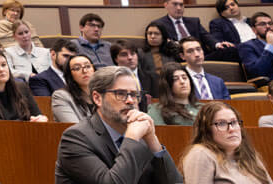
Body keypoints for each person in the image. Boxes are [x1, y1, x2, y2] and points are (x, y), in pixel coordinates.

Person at [54, 66, 182, 184]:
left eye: (134, 94)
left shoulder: (141, 137)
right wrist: (131, 139)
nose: (130, 101)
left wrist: (153, 141)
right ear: (97, 98)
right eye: (120, 94)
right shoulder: (76, 138)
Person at [180, 102, 273, 184]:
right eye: (221, 123)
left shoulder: (248, 154)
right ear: (206, 129)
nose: (231, 129)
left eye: (234, 122)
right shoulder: (201, 154)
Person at [152, 0, 230, 60]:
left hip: (202, 57)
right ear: (166, 5)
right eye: (175, 4)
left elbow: (206, 36)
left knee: (230, 50)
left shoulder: (194, 22)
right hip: (180, 59)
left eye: (181, 5)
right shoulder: (159, 24)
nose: (179, 8)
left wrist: (218, 44)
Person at [111, 41, 156, 110]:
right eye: (124, 55)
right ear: (116, 59)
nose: (130, 57)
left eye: (132, 54)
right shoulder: (111, 80)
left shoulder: (152, 77)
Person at [53, 55, 97, 124]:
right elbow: (74, 130)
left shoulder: (104, 92)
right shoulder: (61, 96)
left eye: (88, 66)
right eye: (77, 68)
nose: (85, 71)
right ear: (70, 75)